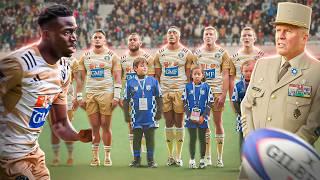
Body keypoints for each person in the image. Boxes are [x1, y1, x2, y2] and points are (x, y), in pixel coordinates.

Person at [0, 4, 91, 180]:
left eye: (74, 31)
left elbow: (60, 124)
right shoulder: (20, 64)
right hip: (9, 158)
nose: (74, 38)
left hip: (34, 156)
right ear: (47, 35)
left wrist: (79, 136)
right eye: (67, 32)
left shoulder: (64, 69)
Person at [239, 2, 320, 179]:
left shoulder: (317, 72)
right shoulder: (262, 65)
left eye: (288, 31)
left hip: (291, 167)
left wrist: (282, 155)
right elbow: (246, 106)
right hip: (253, 164)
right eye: (278, 30)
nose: (280, 36)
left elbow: (313, 126)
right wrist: (254, 143)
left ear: (304, 37)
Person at [78, 29, 122, 167]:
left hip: (106, 94)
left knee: (105, 125)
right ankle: (95, 157)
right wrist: (79, 96)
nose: (97, 39)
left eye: (100, 37)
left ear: (104, 40)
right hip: (91, 94)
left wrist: (116, 96)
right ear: (92, 40)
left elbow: (117, 78)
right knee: (95, 126)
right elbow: (80, 79)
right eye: (95, 37)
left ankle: (107, 156)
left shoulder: (112, 56)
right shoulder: (85, 57)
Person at [154, 26, 195, 167]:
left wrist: (190, 93)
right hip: (165, 91)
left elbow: (189, 76)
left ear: (179, 36)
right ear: (166, 36)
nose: (171, 35)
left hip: (180, 91)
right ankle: (170, 156)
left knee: (179, 122)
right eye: (169, 32)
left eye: (174, 33)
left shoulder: (186, 53)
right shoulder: (160, 53)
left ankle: (178, 156)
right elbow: (157, 75)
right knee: (168, 123)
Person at [193, 26, 233, 168]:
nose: (208, 36)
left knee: (218, 122)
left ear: (215, 37)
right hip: (201, 93)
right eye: (206, 34)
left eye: (211, 34)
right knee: (203, 123)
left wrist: (223, 94)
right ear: (203, 37)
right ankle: (207, 156)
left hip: (216, 92)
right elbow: (194, 74)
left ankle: (219, 157)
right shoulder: (197, 53)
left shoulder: (223, 53)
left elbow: (226, 75)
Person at [123, 57, 162, 168]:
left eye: (146, 66)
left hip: (150, 116)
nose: (144, 67)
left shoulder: (153, 81)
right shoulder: (130, 82)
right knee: (137, 139)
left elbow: (159, 97)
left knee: (150, 139)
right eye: (141, 65)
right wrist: (126, 115)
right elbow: (126, 100)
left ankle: (151, 161)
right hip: (136, 117)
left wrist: (159, 112)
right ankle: (136, 160)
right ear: (135, 68)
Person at [120, 33, 155, 155]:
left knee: (146, 125)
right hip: (130, 98)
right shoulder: (123, 59)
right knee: (131, 125)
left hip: (145, 98)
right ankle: (135, 153)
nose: (132, 41)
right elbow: (120, 79)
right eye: (130, 40)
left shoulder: (148, 58)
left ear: (140, 43)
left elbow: (152, 78)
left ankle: (146, 152)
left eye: (135, 39)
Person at [49, 56, 82, 166]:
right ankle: (56, 157)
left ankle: (70, 156)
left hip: (67, 98)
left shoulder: (73, 60)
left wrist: (78, 97)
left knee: (67, 128)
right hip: (51, 97)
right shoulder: (49, 59)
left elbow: (79, 80)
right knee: (54, 128)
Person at [182, 65, 214, 169]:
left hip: (202, 118)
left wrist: (203, 116)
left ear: (202, 75)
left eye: (199, 74)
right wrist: (189, 115)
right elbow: (184, 102)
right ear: (191, 75)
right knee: (192, 138)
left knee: (202, 138)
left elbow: (210, 102)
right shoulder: (187, 87)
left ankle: (202, 159)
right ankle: (191, 160)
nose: (196, 76)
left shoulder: (207, 87)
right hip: (190, 118)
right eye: (194, 74)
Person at [229, 27, 264, 100]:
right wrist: (233, 99)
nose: (246, 37)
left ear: (254, 38)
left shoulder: (261, 57)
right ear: (241, 39)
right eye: (244, 36)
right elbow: (231, 80)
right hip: (240, 97)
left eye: (249, 35)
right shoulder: (234, 58)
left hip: (256, 96)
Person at [231, 60, 255, 159]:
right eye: (246, 71)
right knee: (243, 138)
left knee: (255, 138)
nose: (248, 73)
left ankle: (255, 161)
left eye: (251, 71)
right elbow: (234, 101)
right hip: (243, 116)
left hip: (256, 116)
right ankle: (243, 160)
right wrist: (241, 113)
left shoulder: (258, 84)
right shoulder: (238, 85)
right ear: (242, 71)